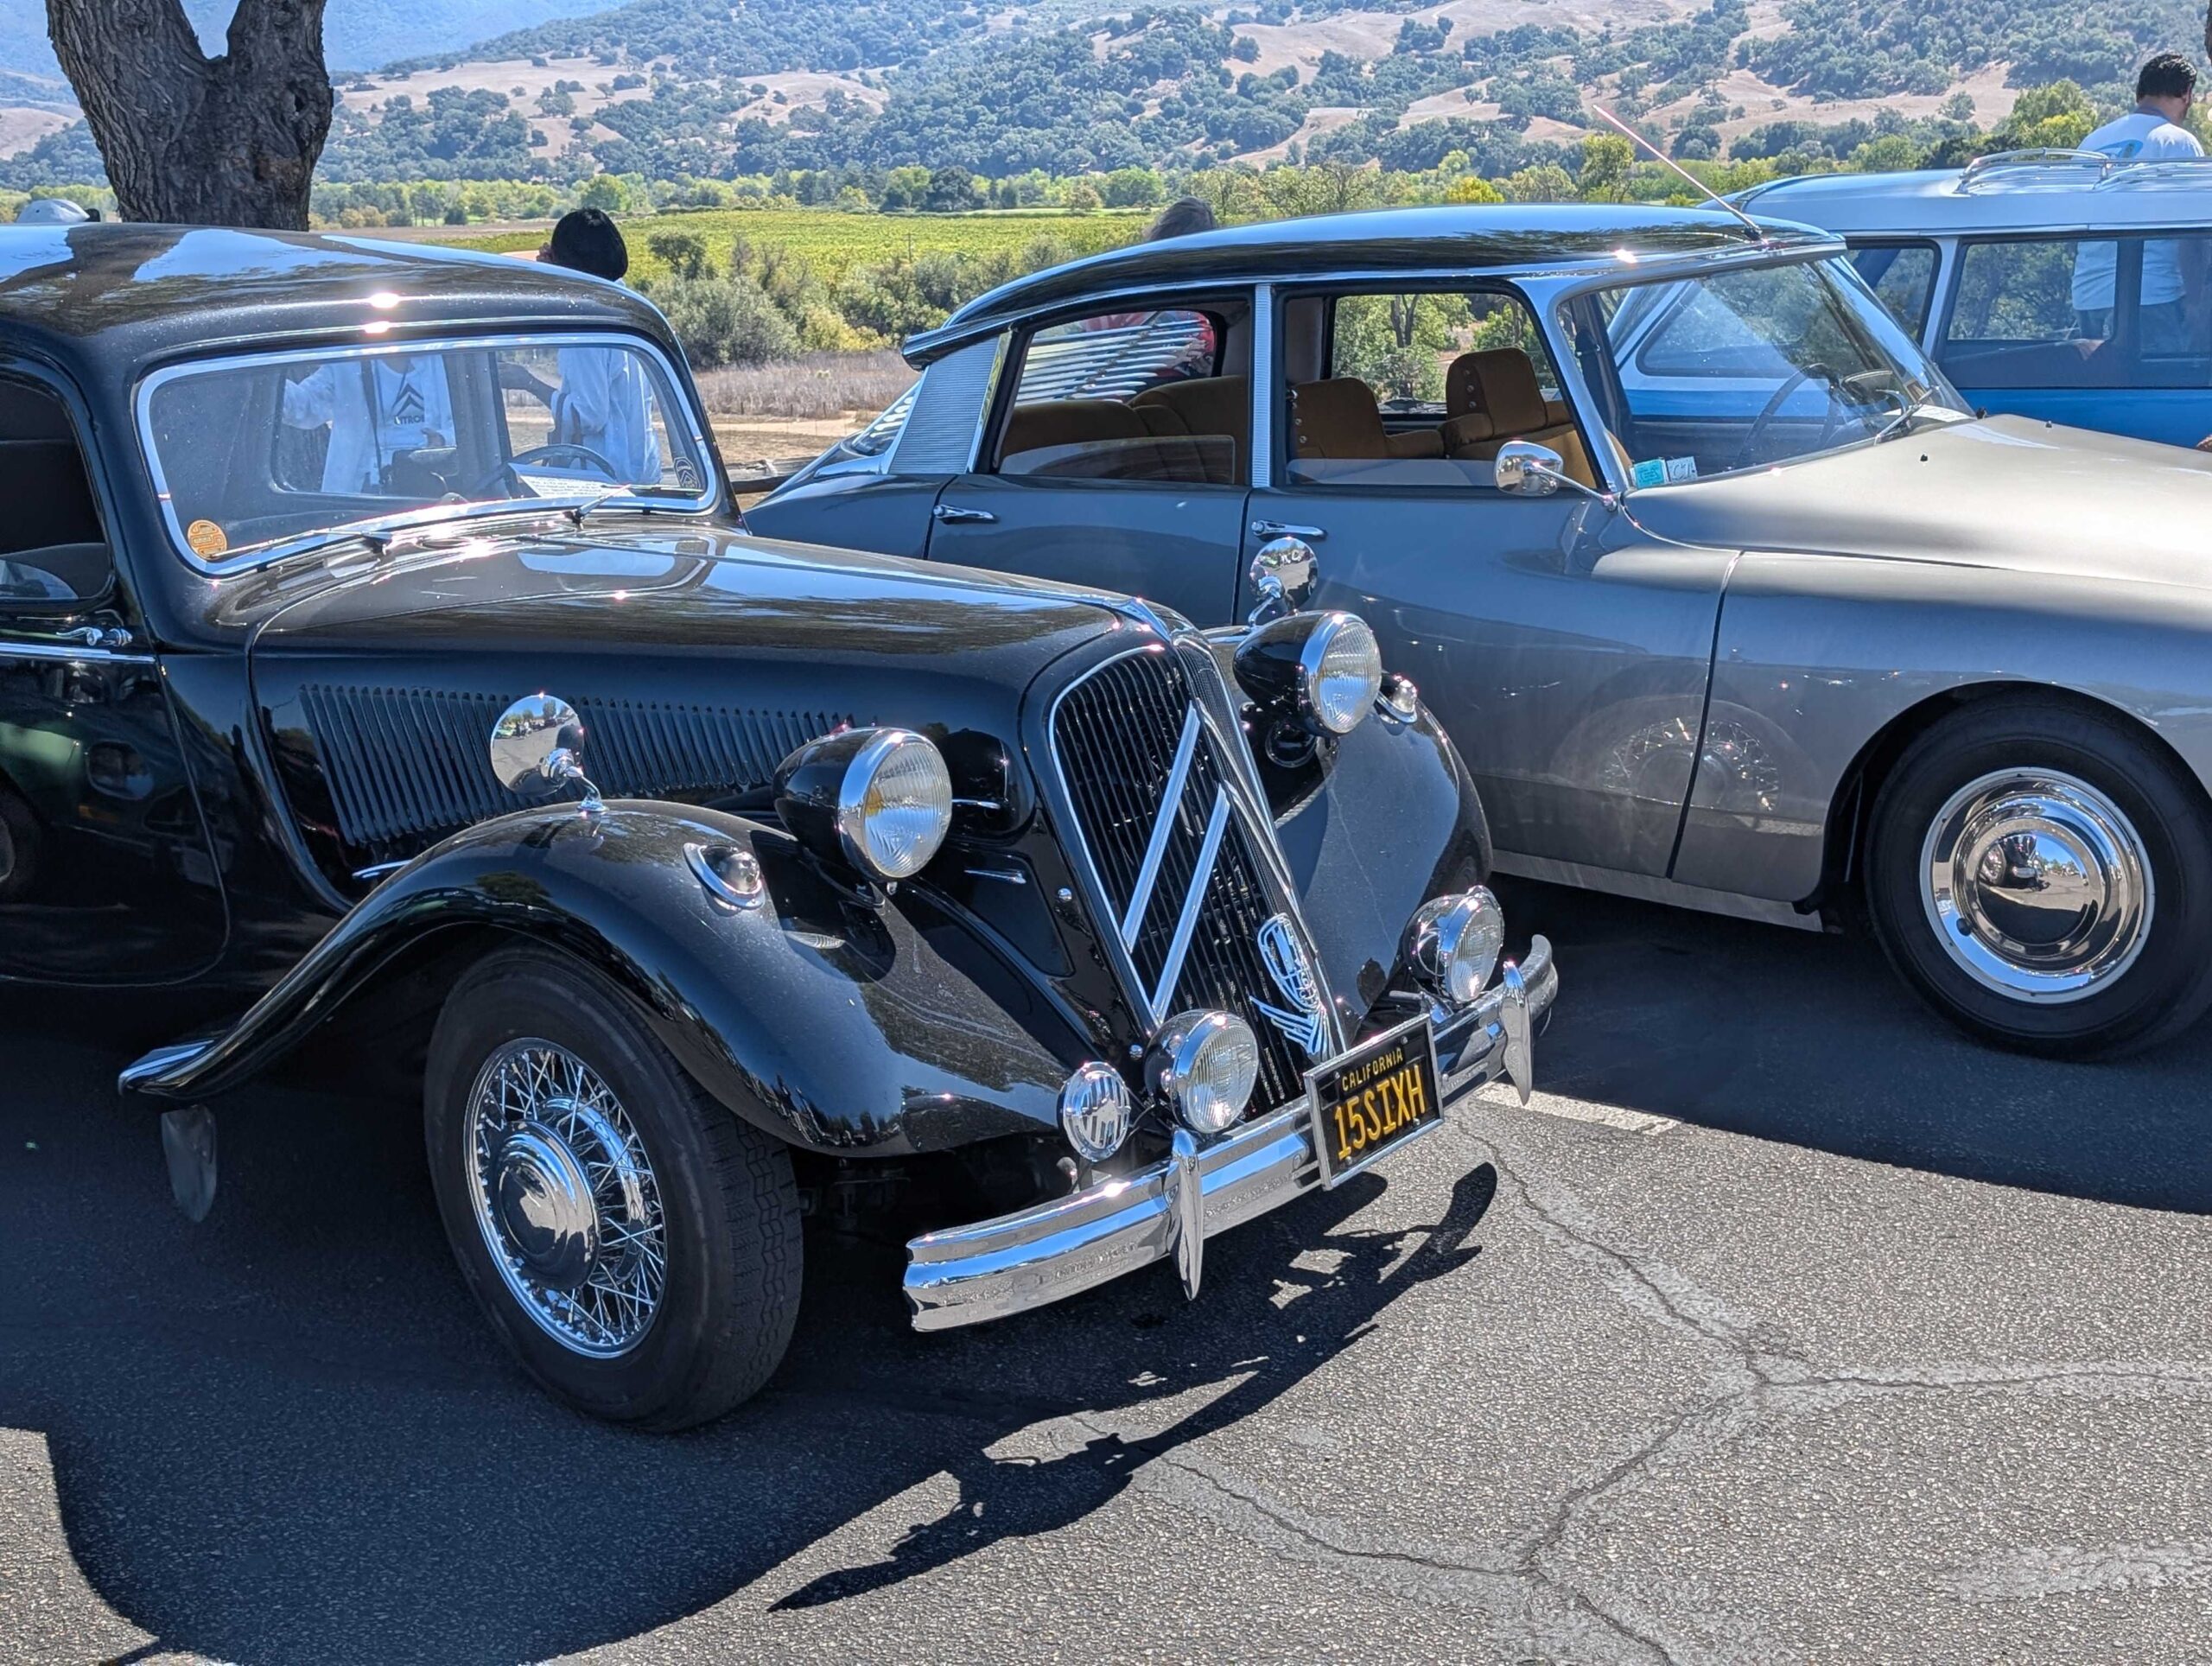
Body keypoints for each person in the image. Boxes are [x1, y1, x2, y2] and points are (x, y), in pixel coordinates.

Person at [2069, 54, 2206, 351]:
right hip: (2153, 296)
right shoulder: (2178, 143)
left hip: (2088, 296)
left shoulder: (2092, 143)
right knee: (2162, 379)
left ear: (2139, 92)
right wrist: (2196, 303)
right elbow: (2191, 232)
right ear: (2186, 94)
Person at [531, 207, 662, 485]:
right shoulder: (629, 304)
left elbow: (589, 415)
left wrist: (528, 382)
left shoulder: (585, 324)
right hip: (641, 467)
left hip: (604, 475)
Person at [280, 351, 455, 496]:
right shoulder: (345, 365)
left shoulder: (449, 354)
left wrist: (444, 440)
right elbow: (305, 406)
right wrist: (273, 384)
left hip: (438, 484)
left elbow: (469, 419)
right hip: (363, 492)